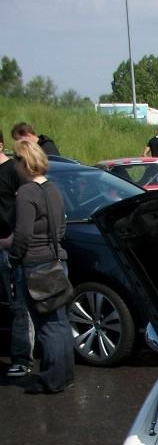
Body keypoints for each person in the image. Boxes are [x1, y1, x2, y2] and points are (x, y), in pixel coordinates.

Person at [8, 140, 74, 394]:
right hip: (57, 262)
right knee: (60, 323)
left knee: (47, 327)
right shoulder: (53, 189)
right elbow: (61, 227)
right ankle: (64, 376)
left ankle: (51, 379)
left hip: (35, 265)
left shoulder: (26, 193)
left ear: (23, 162)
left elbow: (22, 234)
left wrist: (14, 256)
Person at [0, 127, 35, 379]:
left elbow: (27, 207)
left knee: (19, 306)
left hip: (8, 246)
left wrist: (12, 239)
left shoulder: (13, 170)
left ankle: (22, 359)